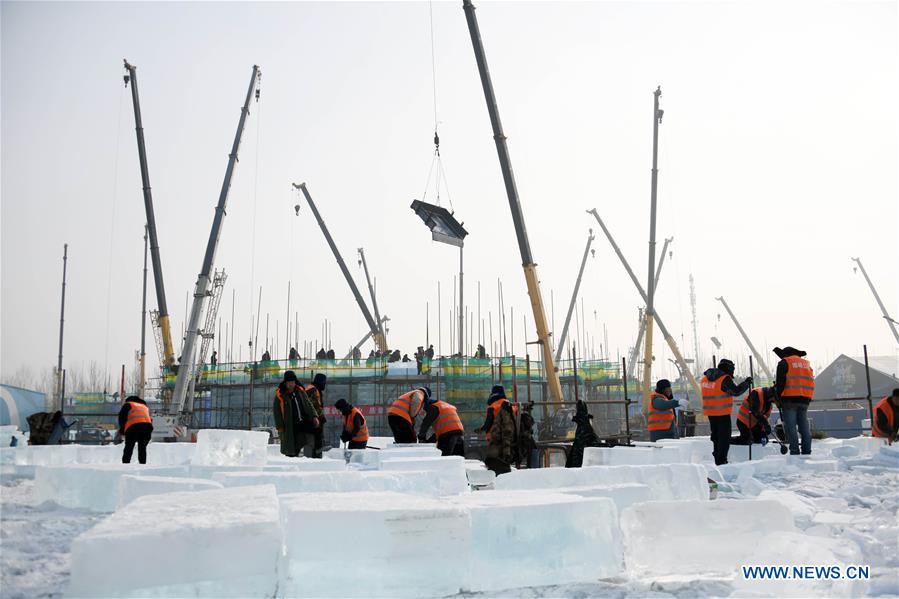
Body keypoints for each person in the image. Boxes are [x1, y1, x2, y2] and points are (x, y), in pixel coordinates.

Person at [701, 358, 753, 465]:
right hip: (722, 413)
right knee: (724, 439)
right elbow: (736, 391)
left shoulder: (705, 379)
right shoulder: (724, 379)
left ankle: (717, 458)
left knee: (716, 437)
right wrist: (746, 383)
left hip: (711, 413)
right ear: (728, 368)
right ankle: (722, 461)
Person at [774, 346, 815, 455]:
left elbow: (780, 383)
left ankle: (795, 452)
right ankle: (807, 451)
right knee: (804, 427)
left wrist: (778, 398)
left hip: (789, 399)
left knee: (791, 428)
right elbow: (811, 382)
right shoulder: (806, 364)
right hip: (804, 400)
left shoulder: (784, 362)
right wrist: (808, 398)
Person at [273, 371, 318, 457]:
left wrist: (314, 416)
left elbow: (308, 404)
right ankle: (292, 463)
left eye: (293, 382)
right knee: (291, 448)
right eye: (289, 382)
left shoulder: (300, 391)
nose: (291, 384)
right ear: (285, 383)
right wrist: (280, 426)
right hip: (290, 425)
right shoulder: (280, 395)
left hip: (302, 422)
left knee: (308, 440)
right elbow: (276, 412)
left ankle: (310, 458)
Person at [118, 395, 153, 464]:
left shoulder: (128, 404)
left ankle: (125, 464)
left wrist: (122, 430)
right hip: (147, 427)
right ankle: (142, 464)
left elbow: (122, 417)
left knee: (129, 446)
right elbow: (150, 418)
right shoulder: (145, 406)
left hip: (134, 427)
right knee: (142, 447)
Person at [566, 400, 602, 467]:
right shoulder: (586, 423)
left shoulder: (581, 421)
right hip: (585, 441)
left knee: (578, 456)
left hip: (580, 445)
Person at [304, 373, 327, 458]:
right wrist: (321, 417)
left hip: (310, 420)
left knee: (315, 439)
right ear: (320, 381)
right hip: (311, 420)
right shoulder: (313, 390)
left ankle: (316, 454)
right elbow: (315, 406)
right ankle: (316, 456)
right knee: (315, 440)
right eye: (324, 382)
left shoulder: (314, 388)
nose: (325, 384)